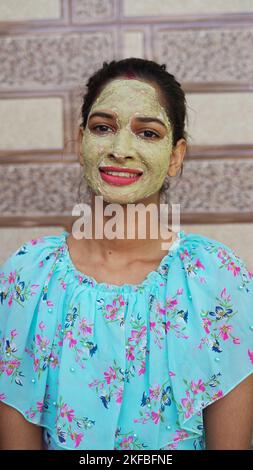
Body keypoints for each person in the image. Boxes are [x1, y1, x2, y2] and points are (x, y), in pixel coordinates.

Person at [0, 58, 253, 451]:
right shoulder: (28, 277)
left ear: (175, 155)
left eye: (147, 133)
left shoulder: (216, 278)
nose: (120, 150)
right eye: (103, 128)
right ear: (80, 140)